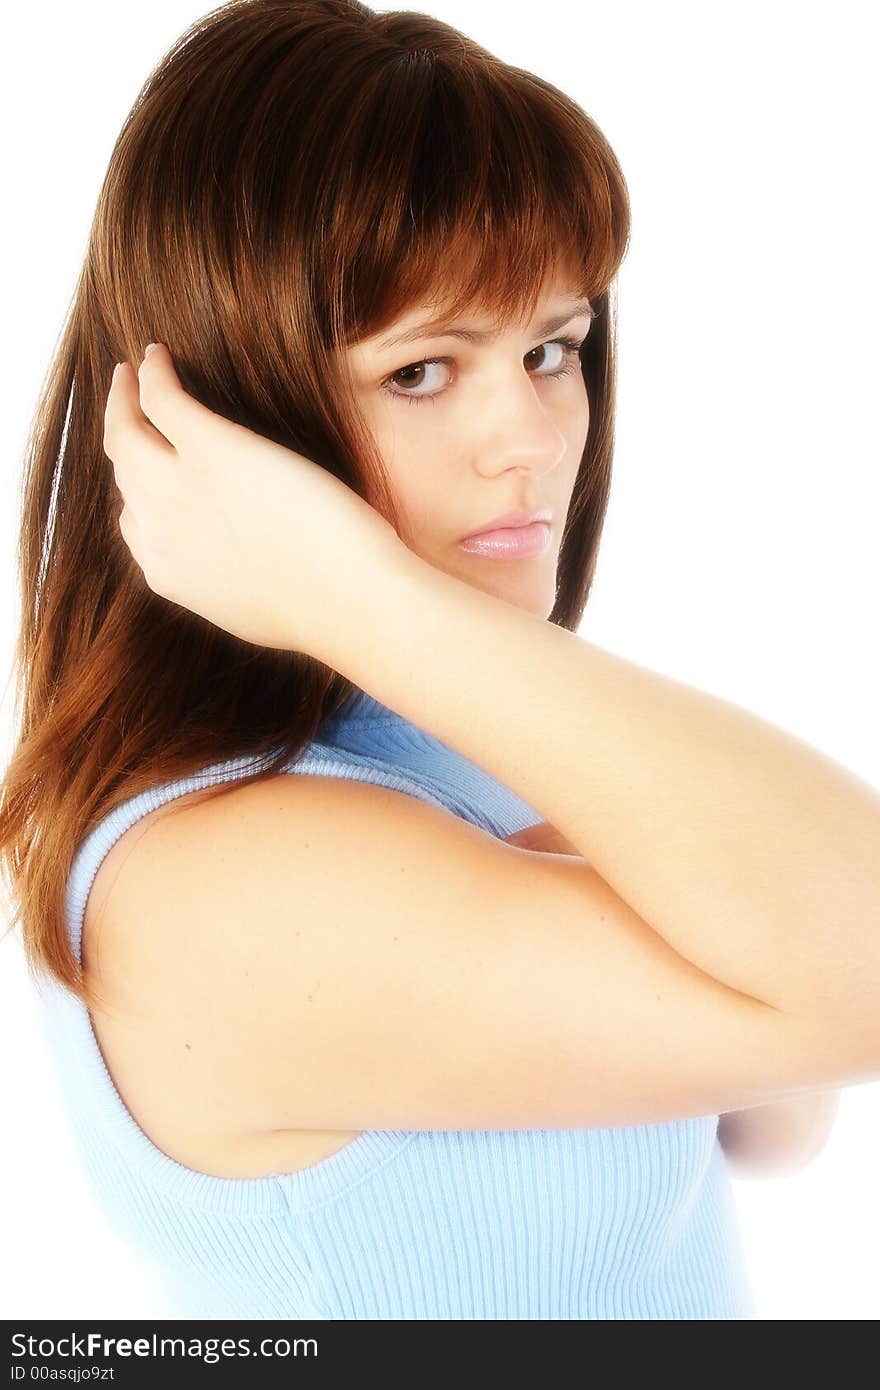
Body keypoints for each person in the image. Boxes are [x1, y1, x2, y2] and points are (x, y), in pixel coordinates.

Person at [1, 0, 873, 1321]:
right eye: (420, 371)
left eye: (550, 348)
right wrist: (362, 597)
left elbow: (776, 1121)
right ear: (234, 416)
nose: (526, 440)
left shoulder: (429, 727)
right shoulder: (210, 876)